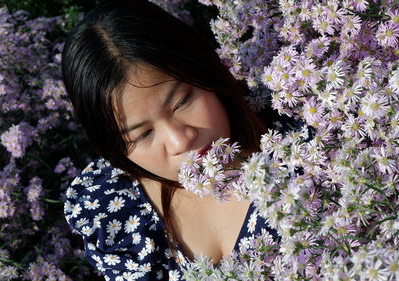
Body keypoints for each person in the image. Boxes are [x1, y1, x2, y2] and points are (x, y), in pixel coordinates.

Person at [61, 0, 279, 279]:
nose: (180, 141)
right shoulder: (108, 212)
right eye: (143, 134)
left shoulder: (308, 151)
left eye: (182, 101)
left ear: (205, 68)